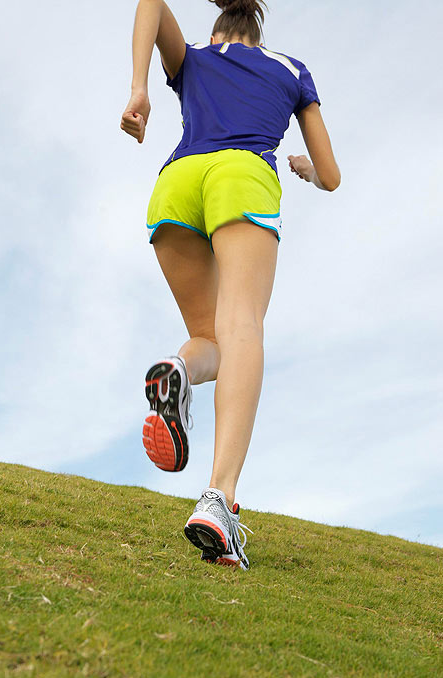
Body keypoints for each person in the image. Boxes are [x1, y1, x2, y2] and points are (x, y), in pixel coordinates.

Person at [120, 0, 340, 570]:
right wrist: (306, 170)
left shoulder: (192, 59)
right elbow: (332, 175)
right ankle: (219, 498)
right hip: (241, 175)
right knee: (243, 325)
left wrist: (139, 89)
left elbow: (152, 2)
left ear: (218, 28)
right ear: (258, 30)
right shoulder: (291, 70)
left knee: (210, 337)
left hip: (176, 182)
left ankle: (178, 370)